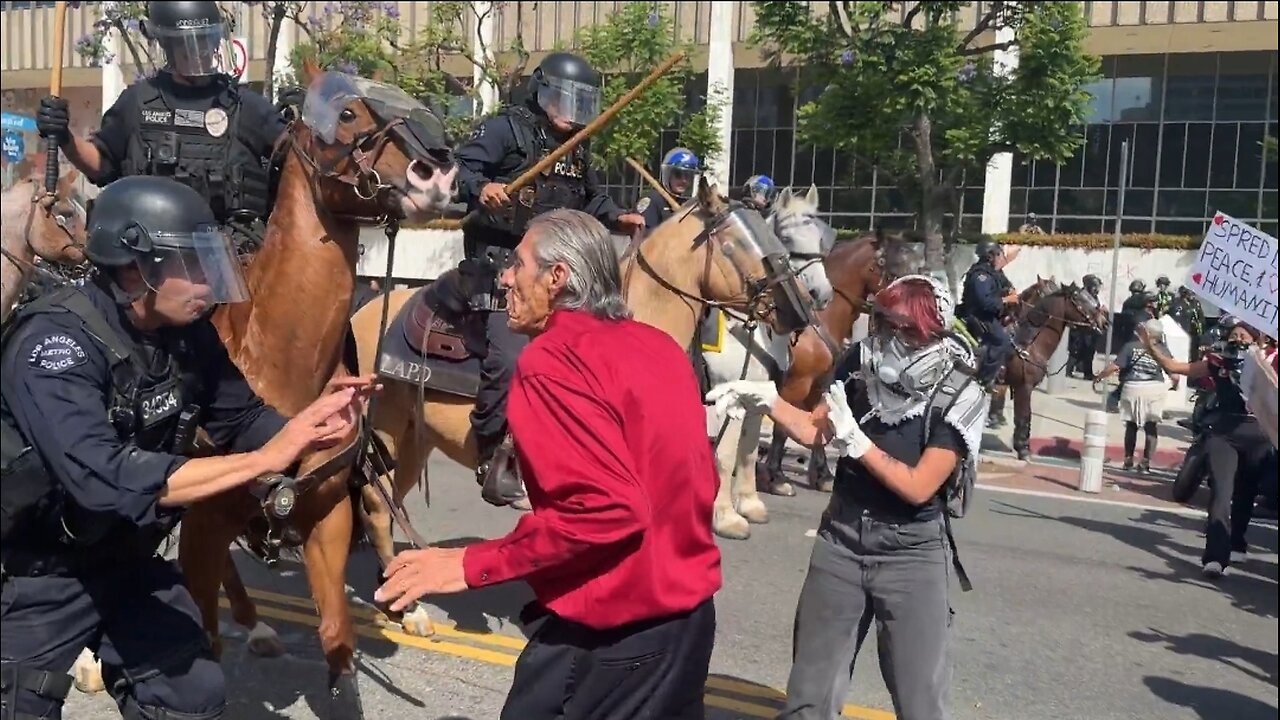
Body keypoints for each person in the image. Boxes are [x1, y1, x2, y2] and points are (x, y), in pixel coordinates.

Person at [0, 176, 376, 720]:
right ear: (134, 269)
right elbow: (104, 479)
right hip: (41, 572)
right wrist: (265, 460)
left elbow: (243, 417)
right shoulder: (55, 345)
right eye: (193, 264)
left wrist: (313, 430)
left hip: (126, 560)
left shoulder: (187, 335)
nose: (210, 281)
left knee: (191, 695)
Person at [373, 209, 721, 719]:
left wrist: (467, 564)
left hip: (610, 637)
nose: (507, 277)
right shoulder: (662, 347)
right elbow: (699, 478)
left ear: (557, 278)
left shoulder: (552, 360)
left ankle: (491, 441)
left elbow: (607, 511)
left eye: (518, 264)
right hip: (688, 626)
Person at [707, 275, 987, 720]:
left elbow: (919, 486)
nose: (888, 340)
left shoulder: (959, 390)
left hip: (911, 552)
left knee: (920, 700)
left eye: (903, 330)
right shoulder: (860, 363)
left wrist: (859, 445)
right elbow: (817, 429)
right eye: (882, 324)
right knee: (808, 696)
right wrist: (766, 400)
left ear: (932, 331)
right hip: (841, 537)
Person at [452, 52, 645, 501]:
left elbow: (590, 201)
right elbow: (459, 168)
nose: (573, 112)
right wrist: (482, 188)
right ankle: (493, 456)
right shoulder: (504, 129)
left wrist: (619, 218)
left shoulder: (578, 145)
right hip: (501, 265)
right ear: (542, 92)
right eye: (566, 99)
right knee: (512, 357)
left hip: (556, 272)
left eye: (582, 103)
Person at [36, 1, 285, 253]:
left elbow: (293, 158)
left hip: (233, 261)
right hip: (148, 261)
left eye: (205, 41)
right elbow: (102, 165)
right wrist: (64, 136)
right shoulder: (136, 103)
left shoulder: (249, 107)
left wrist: (313, 130)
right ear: (167, 46)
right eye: (188, 45)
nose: (199, 52)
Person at [1138, 317, 1276, 577]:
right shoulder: (1217, 360)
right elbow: (1175, 366)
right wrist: (1152, 346)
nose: (1238, 339)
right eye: (1234, 334)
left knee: (1246, 493)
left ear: (1258, 338)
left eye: (1244, 335)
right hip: (1223, 432)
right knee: (1221, 492)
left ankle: (1237, 542)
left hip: (1259, 434)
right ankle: (1215, 558)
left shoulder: (1271, 361)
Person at [1093, 318, 1177, 473]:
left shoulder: (1130, 347)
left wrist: (1099, 376)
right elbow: (1175, 376)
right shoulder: (1163, 350)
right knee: (1151, 426)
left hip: (1132, 388)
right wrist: (1174, 387)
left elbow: (1115, 366)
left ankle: (1128, 460)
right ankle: (1145, 463)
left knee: (1131, 426)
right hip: (1155, 389)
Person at [958, 238, 1019, 388]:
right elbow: (985, 303)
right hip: (978, 315)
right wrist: (1006, 300)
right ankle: (984, 379)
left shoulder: (991, 271)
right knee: (1001, 341)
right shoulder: (981, 276)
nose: (1000, 257)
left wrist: (1010, 289)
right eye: (998, 254)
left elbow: (1003, 282)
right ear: (989, 256)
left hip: (988, 314)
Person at [634, 147, 701, 234]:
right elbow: (645, 237)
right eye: (678, 174)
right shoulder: (652, 200)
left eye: (688, 176)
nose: (683, 180)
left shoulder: (689, 205)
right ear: (669, 175)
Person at [1067, 274, 1104, 380]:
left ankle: (1087, 373)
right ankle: (1069, 371)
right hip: (1079, 328)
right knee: (1075, 351)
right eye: (1095, 287)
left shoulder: (1093, 297)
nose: (1097, 290)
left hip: (1089, 328)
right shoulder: (1082, 295)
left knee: (1089, 351)